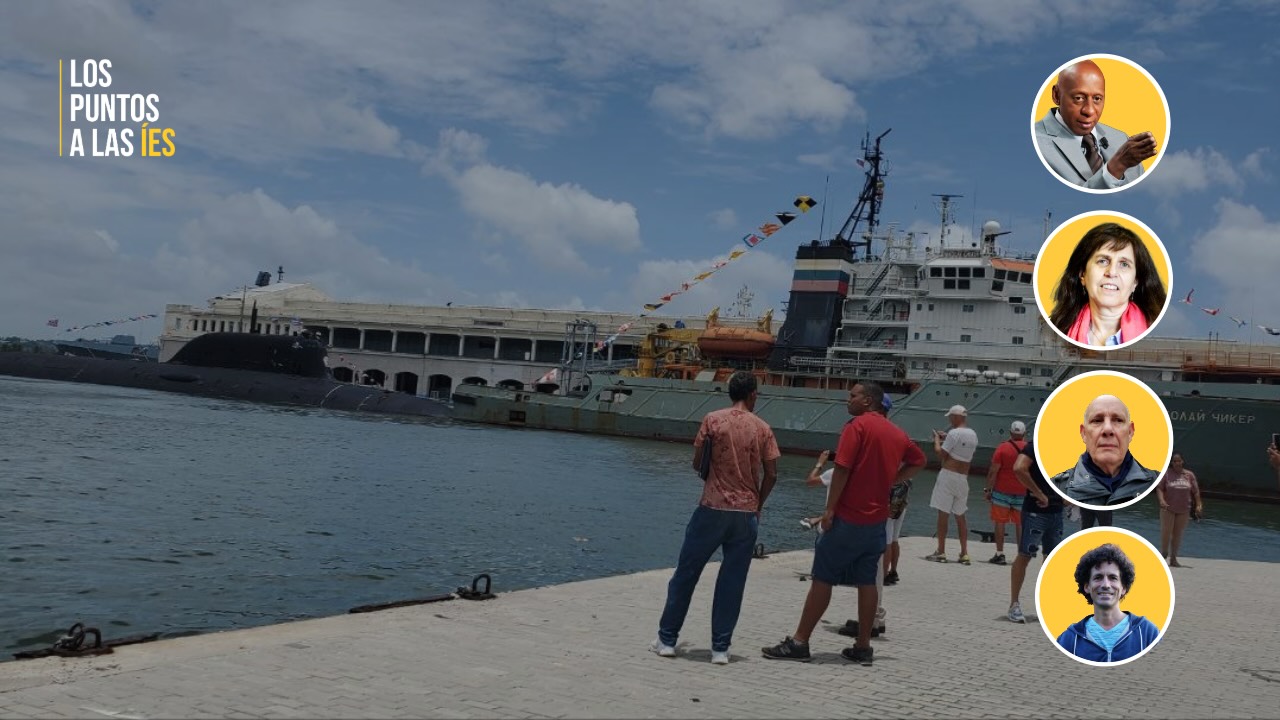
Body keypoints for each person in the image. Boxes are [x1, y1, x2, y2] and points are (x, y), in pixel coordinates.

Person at [761, 382, 925, 666]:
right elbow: (919, 460)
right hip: (876, 522)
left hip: (849, 517)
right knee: (867, 581)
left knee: (823, 577)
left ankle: (800, 642)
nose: (847, 400)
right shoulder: (898, 434)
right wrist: (891, 481)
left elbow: (843, 469)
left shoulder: (856, 427)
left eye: (853, 395)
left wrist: (829, 510)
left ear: (867, 401)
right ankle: (863, 646)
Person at [652, 371, 780, 665]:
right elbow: (772, 473)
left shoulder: (713, 419)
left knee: (686, 574)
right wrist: (757, 502)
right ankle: (720, 649)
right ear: (753, 395)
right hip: (746, 514)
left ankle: (667, 640)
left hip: (711, 508)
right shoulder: (763, 428)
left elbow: (698, 461)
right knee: (732, 582)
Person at [1033, 59, 1158, 189]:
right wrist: (1117, 166)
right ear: (1056, 95)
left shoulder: (1122, 140)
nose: (1089, 110)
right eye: (1079, 98)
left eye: (1097, 99)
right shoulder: (1036, 143)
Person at [1049, 223, 1168, 348]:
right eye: (1103, 261)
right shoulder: (1054, 330)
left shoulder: (1160, 331)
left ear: (1135, 282)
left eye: (1124, 264)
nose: (1112, 272)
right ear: (1082, 274)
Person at [1057, 544, 1161, 663]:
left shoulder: (1148, 633)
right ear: (1087, 587)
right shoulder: (1069, 639)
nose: (1106, 585)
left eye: (1113, 578)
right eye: (1098, 577)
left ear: (1123, 588)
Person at [1052, 394, 1159, 506]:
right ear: (1084, 433)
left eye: (1118, 420)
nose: (1108, 429)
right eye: (1097, 421)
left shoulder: (1158, 482)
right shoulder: (1056, 486)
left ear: (1130, 432)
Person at [1007, 440, 1064, 624]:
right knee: (1025, 555)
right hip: (1035, 511)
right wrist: (1039, 493)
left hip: (1057, 512)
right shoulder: (1036, 445)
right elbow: (1019, 468)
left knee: (1051, 560)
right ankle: (1014, 604)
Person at [926, 405, 978, 564]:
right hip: (963, 478)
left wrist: (937, 440)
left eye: (950, 417)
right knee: (961, 516)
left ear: (956, 417)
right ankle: (964, 553)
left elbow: (940, 453)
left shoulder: (954, 434)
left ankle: (941, 552)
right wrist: (947, 437)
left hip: (948, 476)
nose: (949, 419)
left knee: (943, 514)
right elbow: (961, 448)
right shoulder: (973, 434)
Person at [983, 420, 1028, 565]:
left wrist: (988, 489)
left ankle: (1000, 554)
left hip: (1002, 491)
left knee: (1000, 522)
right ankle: (1021, 556)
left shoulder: (1002, 448)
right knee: (1020, 524)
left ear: (1010, 433)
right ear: (1024, 434)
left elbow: (993, 471)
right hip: (1023, 492)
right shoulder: (1030, 449)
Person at [1156, 451, 1202, 567]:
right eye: (1174, 461)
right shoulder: (1166, 474)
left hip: (1184, 508)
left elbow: (1195, 492)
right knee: (1166, 531)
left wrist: (1198, 505)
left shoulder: (1189, 475)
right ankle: (1164, 552)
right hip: (1168, 507)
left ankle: (1174, 559)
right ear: (1171, 462)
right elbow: (1159, 488)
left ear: (1182, 461)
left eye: (1179, 461)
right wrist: (1162, 500)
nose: (1177, 463)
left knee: (1178, 534)